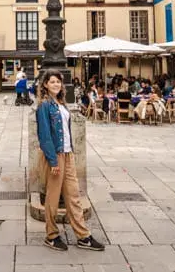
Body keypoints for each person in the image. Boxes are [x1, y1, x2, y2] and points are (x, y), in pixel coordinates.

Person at [36, 69, 105, 252]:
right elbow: (44, 136)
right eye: (52, 82)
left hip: (68, 154)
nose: (56, 85)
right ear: (45, 85)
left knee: (74, 195)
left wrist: (70, 153)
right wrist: (52, 162)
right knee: (52, 197)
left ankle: (83, 236)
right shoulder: (44, 105)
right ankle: (51, 235)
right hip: (55, 155)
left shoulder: (60, 103)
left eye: (58, 82)